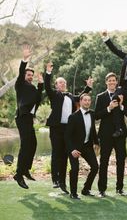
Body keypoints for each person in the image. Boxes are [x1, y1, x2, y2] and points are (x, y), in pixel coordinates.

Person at [45, 62, 93, 193]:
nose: (63, 84)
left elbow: (81, 97)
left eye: (64, 83)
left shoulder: (71, 96)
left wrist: (88, 87)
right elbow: (47, 87)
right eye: (60, 83)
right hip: (56, 128)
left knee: (66, 154)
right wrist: (48, 73)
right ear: (56, 85)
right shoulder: (54, 94)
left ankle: (62, 182)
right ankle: (55, 179)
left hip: (68, 129)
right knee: (56, 153)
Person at [94, 72, 127, 197]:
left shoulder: (122, 96)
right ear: (106, 82)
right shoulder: (100, 97)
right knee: (104, 161)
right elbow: (96, 116)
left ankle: (119, 188)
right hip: (105, 134)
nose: (111, 82)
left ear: (116, 82)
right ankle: (102, 189)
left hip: (120, 133)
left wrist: (121, 105)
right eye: (109, 80)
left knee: (121, 161)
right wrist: (109, 108)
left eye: (113, 80)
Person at [13, 44, 44, 189]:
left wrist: (41, 85)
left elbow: (38, 100)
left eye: (32, 75)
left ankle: (25, 169)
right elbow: (20, 72)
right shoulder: (20, 84)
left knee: (33, 144)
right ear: (24, 76)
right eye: (28, 75)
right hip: (21, 117)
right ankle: (18, 174)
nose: (30, 77)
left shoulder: (32, 88)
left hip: (29, 119)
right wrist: (25, 60)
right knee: (25, 145)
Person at [65, 93, 99, 200]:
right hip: (75, 147)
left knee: (95, 167)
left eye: (89, 100)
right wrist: (72, 150)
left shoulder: (92, 114)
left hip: (87, 146)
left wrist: (96, 143)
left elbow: (93, 130)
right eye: (85, 100)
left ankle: (86, 189)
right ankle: (73, 193)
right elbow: (67, 136)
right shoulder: (73, 117)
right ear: (80, 102)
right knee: (75, 169)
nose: (87, 102)